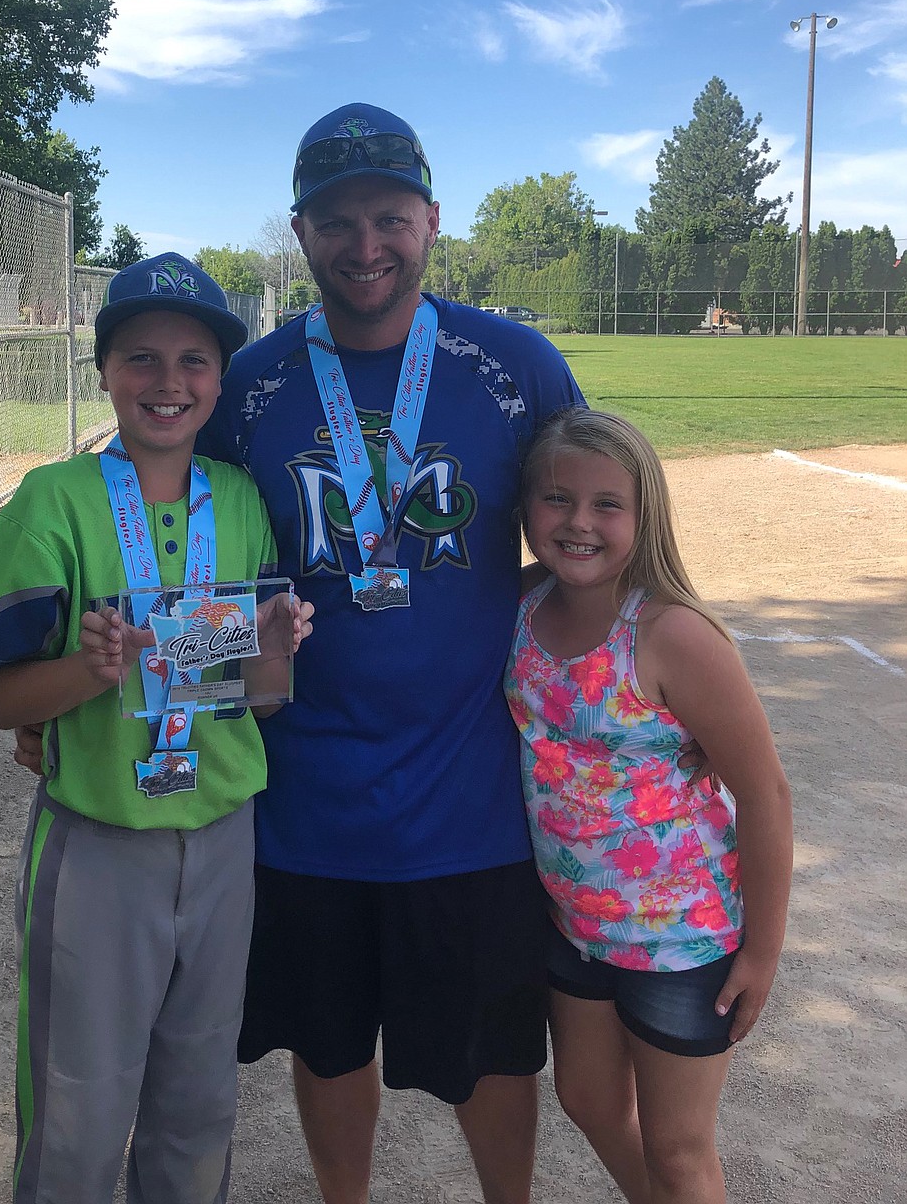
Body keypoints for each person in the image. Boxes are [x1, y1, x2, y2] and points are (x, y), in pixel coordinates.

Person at [194, 103, 586, 1204]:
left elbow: (589, 539)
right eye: (337, 222)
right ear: (301, 233)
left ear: (431, 220)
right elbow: (198, 574)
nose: (366, 246)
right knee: (326, 1045)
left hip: (471, 802)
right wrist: (87, 692)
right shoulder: (252, 388)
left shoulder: (513, 366)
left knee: (497, 1053)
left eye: (389, 217)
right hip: (303, 803)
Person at [0, 252, 313, 1204]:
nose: (169, 383)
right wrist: (87, 669)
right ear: (104, 370)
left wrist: (276, 641)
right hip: (101, 843)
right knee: (79, 1105)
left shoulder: (237, 500)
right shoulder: (53, 499)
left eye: (195, 361)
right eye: (141, 359)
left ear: (219, 379)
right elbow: (0, 701)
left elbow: (257, 697)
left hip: (225, 835)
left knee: (198, 1101)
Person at [506, 408, 793, 1204]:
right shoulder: (524, 604)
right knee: (588, 1101)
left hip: (681, 940)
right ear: (525, 508)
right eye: (556, 499)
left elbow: (765, 794)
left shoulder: (671, 635)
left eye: (607, 505)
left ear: (645, 516)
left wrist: (762, 951)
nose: (579, 523)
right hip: (574, 923)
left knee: (678, 1150)